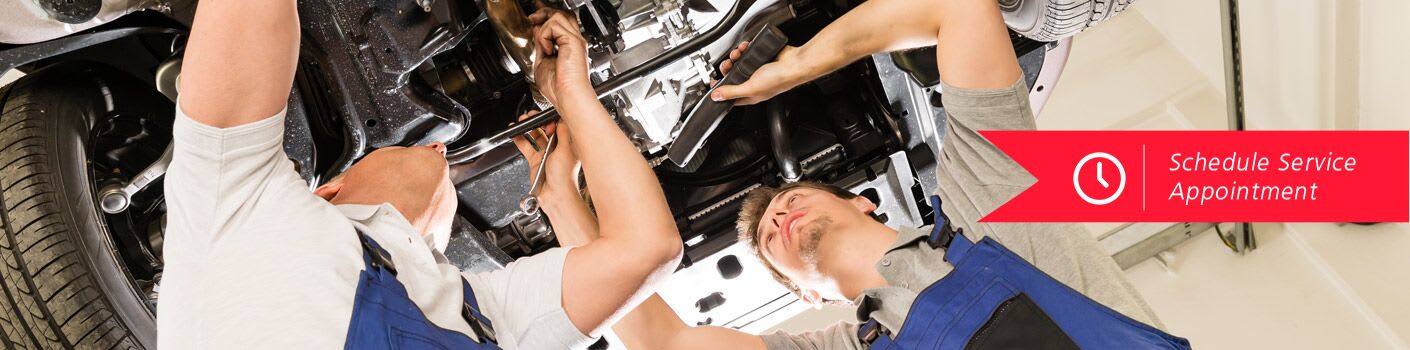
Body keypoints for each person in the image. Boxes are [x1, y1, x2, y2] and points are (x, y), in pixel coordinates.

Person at [523, 0, 1191, 349]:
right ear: (807, 298)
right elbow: (662, 340)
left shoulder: (987, 202)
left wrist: (802, 62)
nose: (779, 218)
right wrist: (560, 198)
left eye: (783, 207)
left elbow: (961, 8)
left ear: (866, 204)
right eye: (771, 240)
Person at [161, 0, 680, 348]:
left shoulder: (236, 205)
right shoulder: (489, 315)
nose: (440, 147)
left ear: (328, 190)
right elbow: (646, 249)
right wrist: (573, 93)